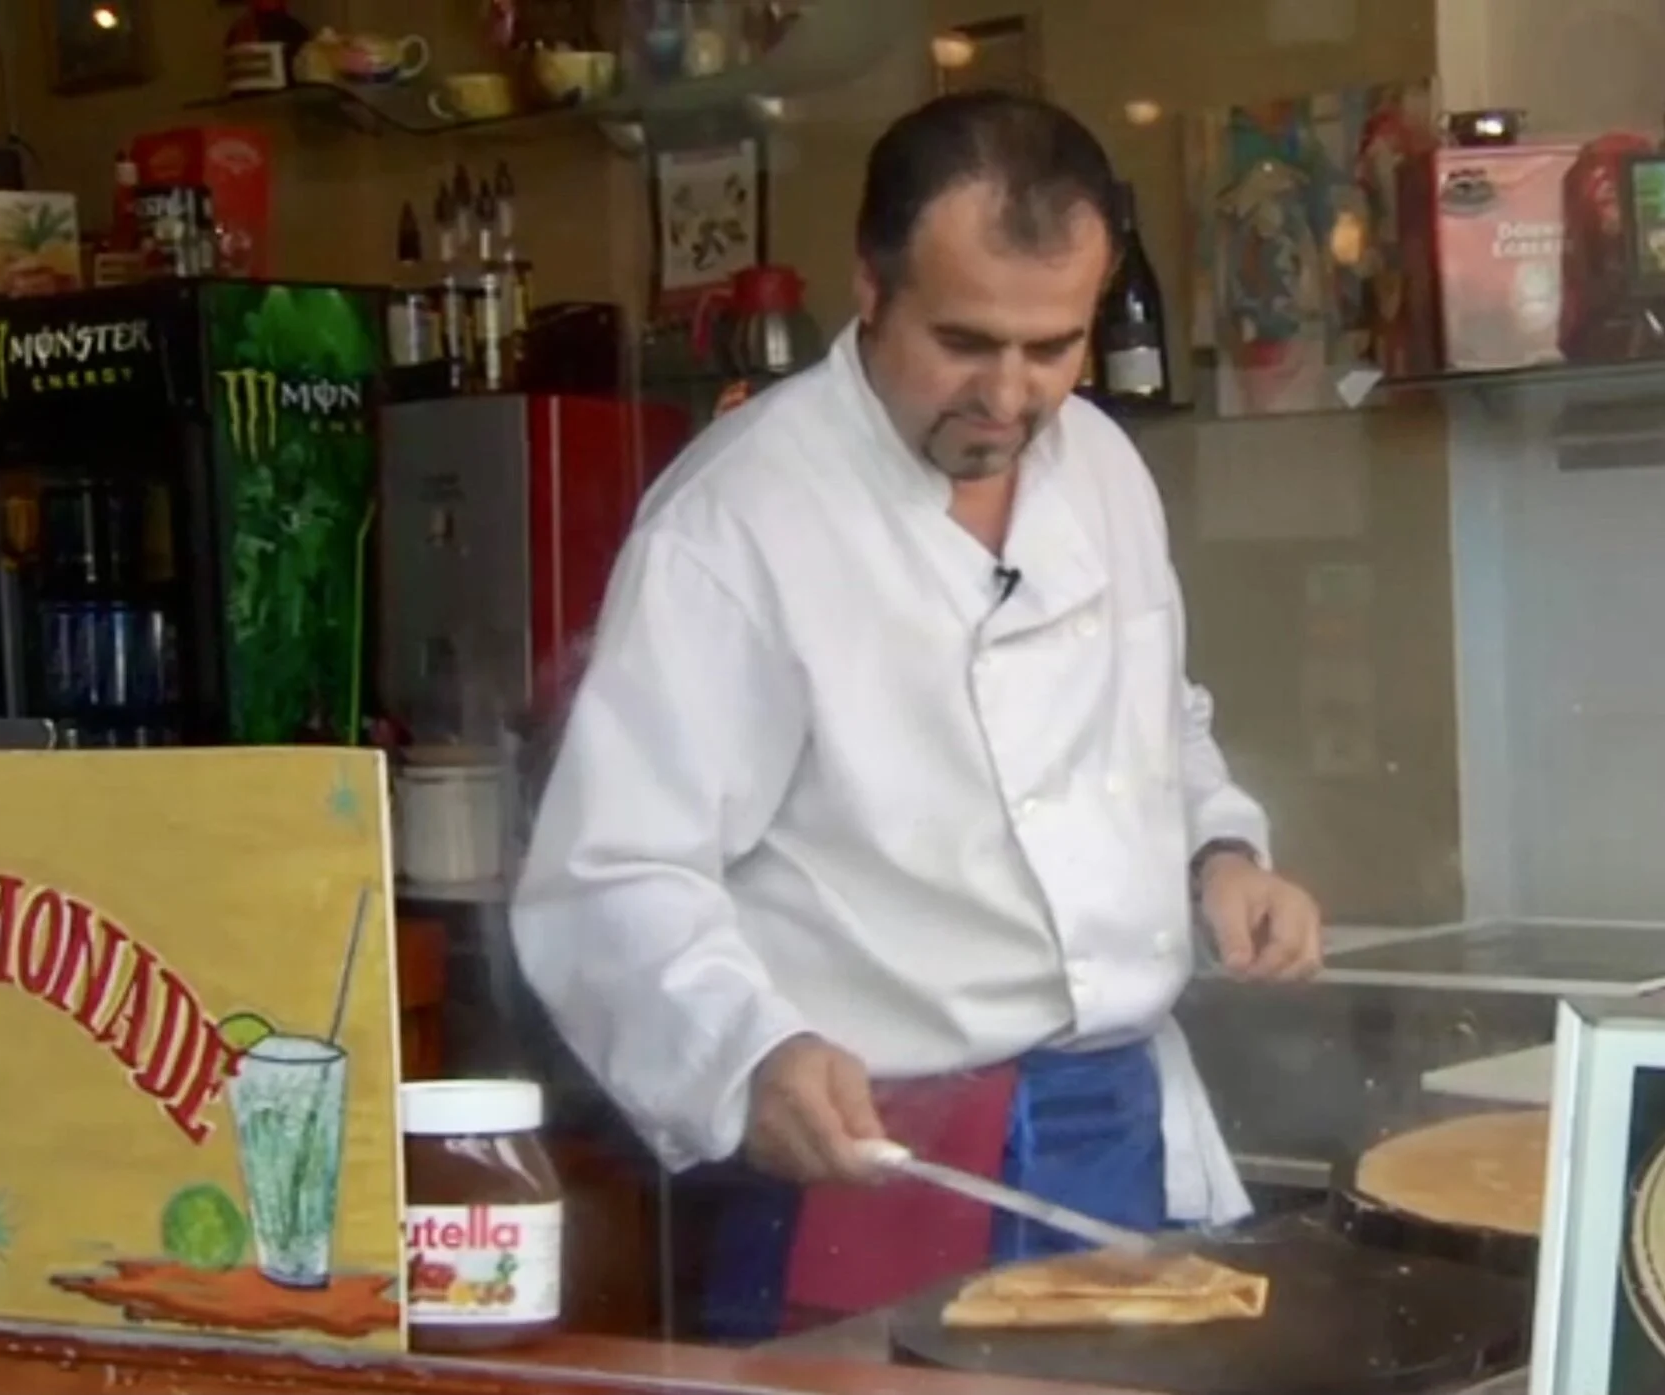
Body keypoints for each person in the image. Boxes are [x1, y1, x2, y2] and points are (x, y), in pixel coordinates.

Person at [510, 91, 1325, 1341]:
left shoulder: (1100, 466)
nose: (1009, 396)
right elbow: (611, 874)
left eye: (1052, 347)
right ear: (870, 289)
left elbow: (1157, 716)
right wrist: (745, 1053)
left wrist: (1218, 850)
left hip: (1118, 1129)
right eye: (964, 341)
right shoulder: (739, 524)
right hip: (885, 1159)